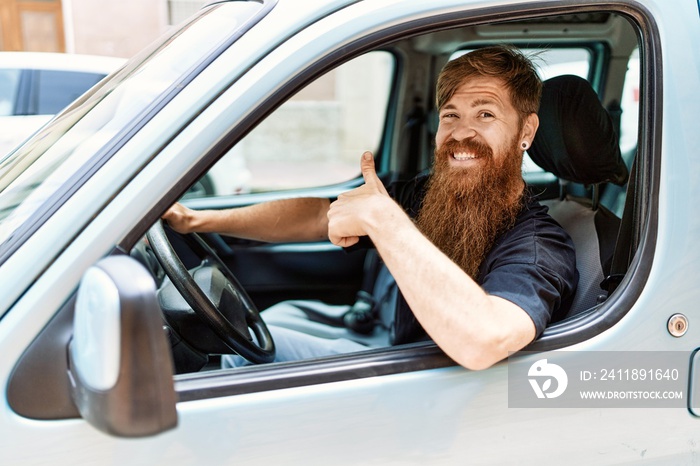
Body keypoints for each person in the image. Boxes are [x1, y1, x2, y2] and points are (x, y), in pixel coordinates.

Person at [163, 45, 577, 370]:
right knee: (267, 321)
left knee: (241, 355)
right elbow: (316, 215)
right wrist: (198, 219)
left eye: (485, 114)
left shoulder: (539, 246)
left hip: (425, 378)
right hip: (385, 336)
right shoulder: (431, 194)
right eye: (450, 115)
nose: (461, 132)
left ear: (526, 130)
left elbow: (487, 339)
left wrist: (384, 221)